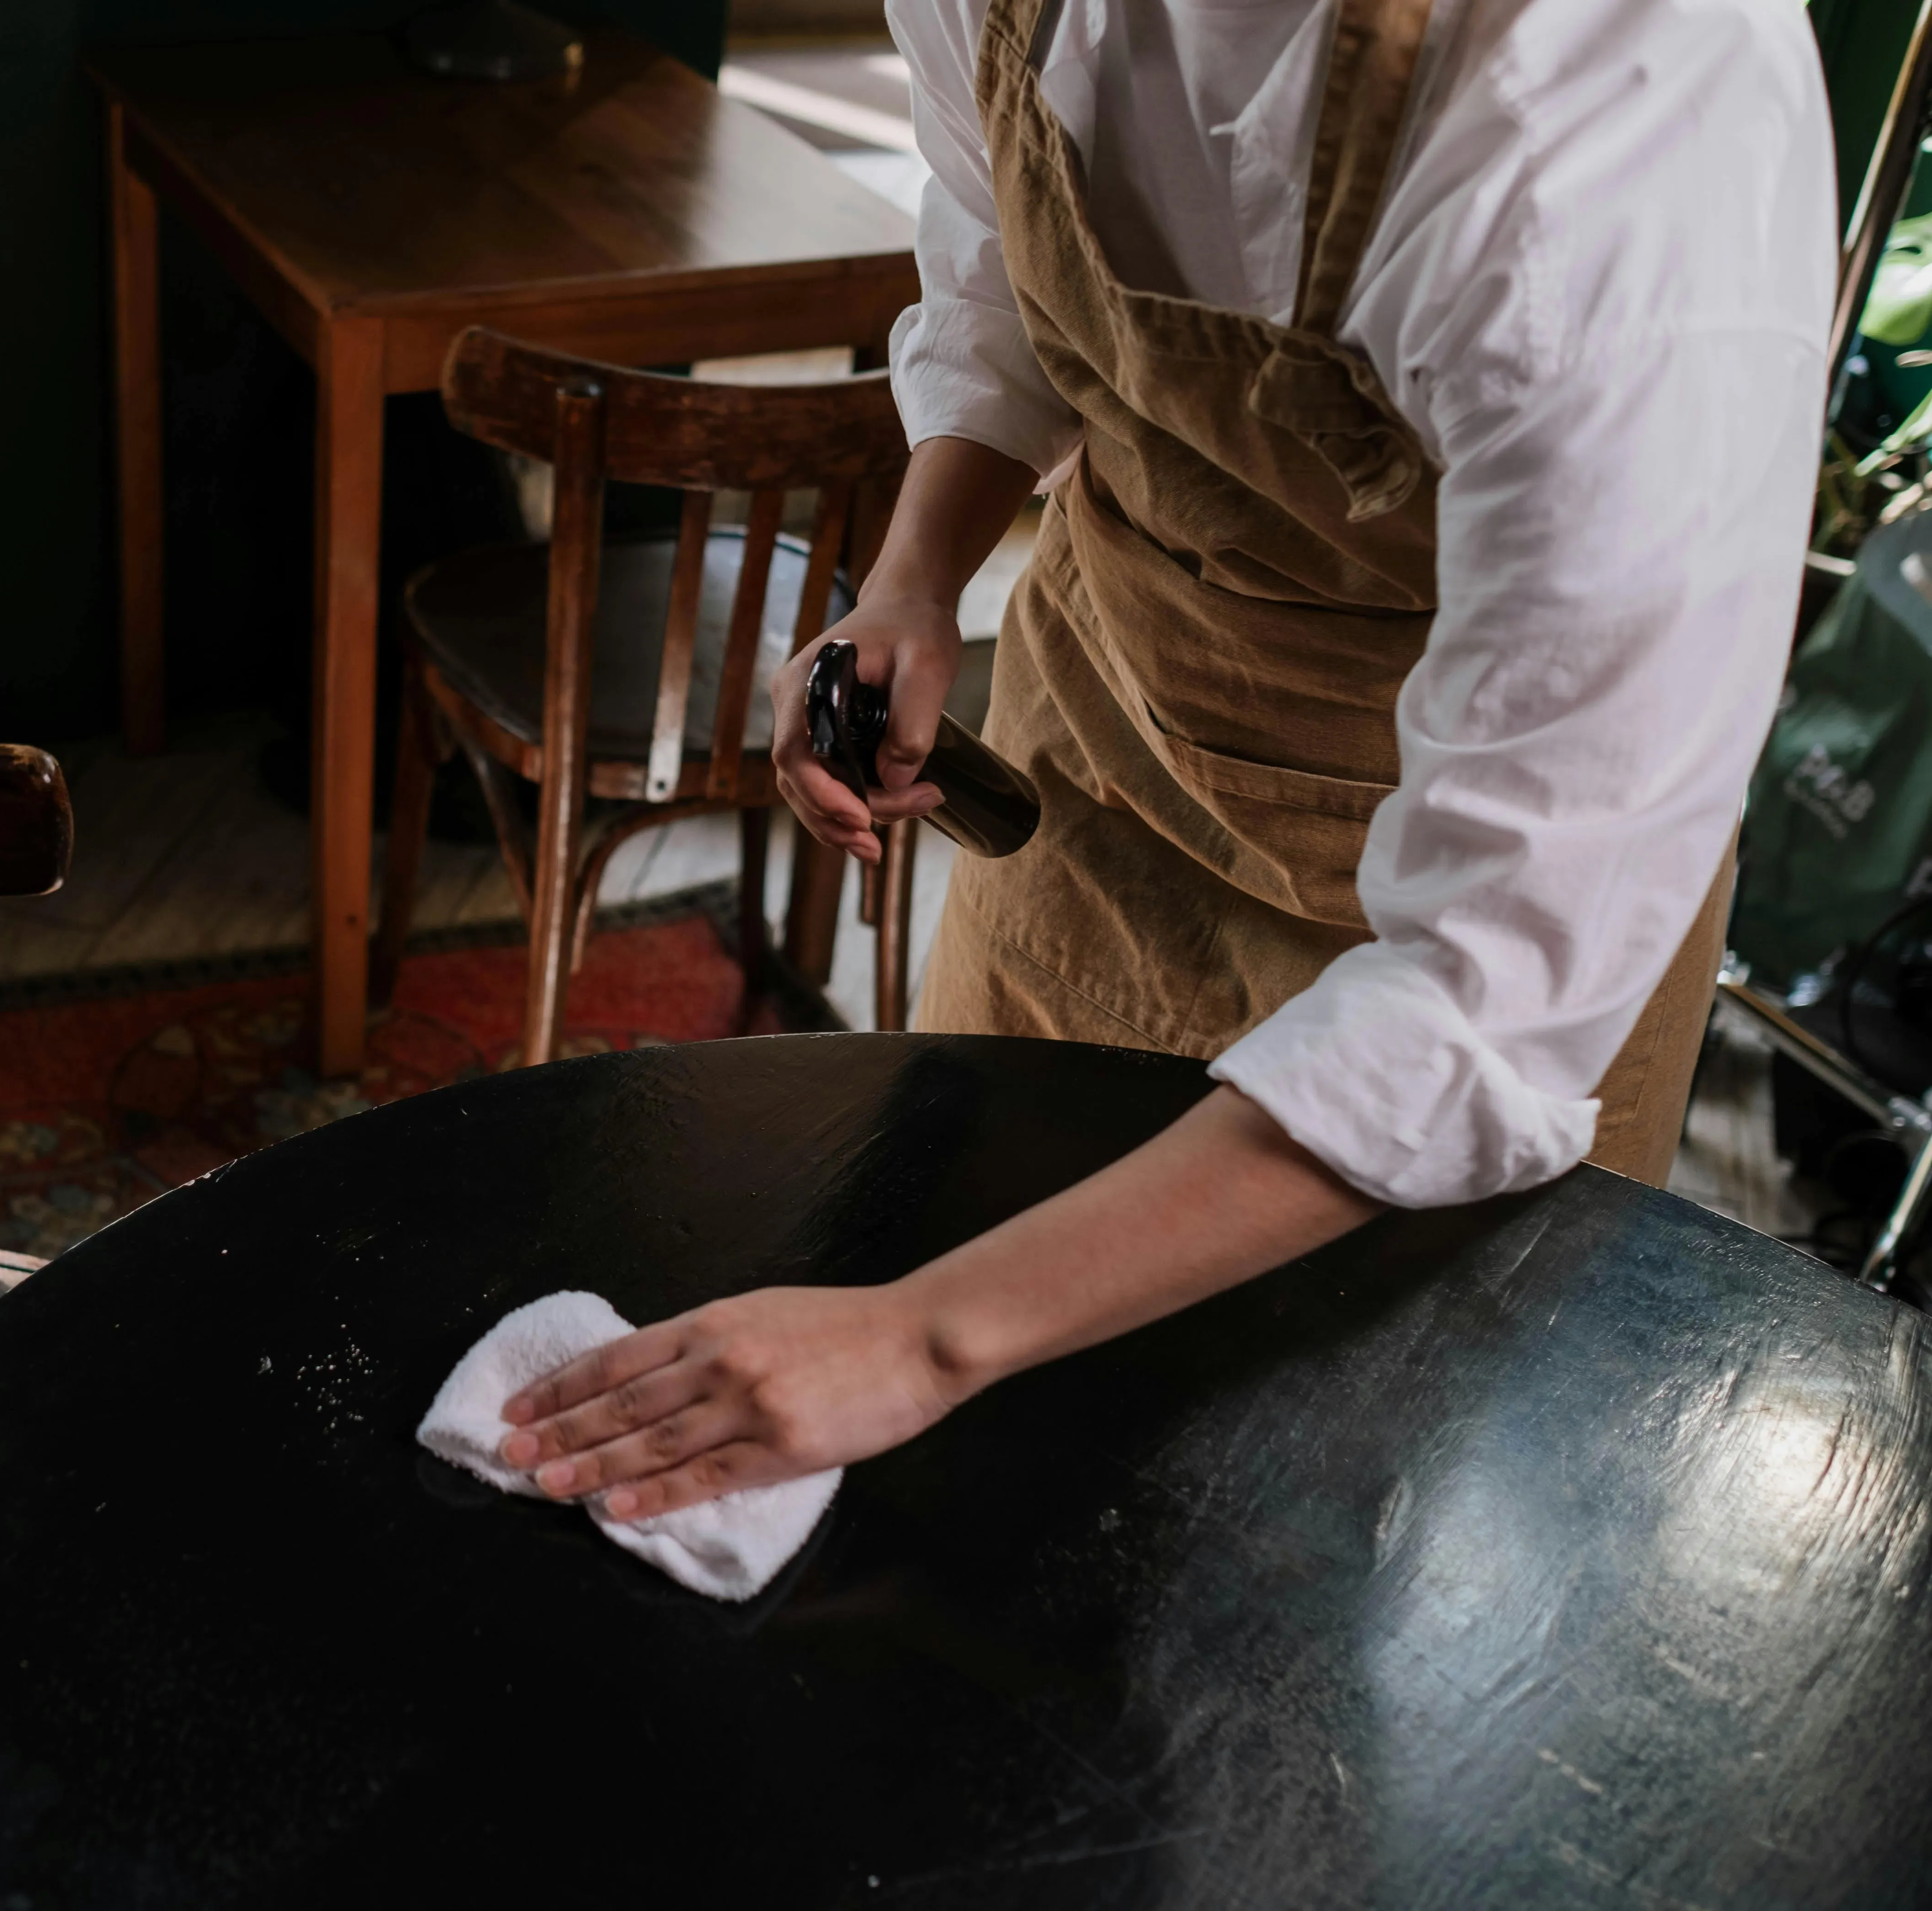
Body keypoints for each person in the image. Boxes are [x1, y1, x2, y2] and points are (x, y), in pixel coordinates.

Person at [493, 0, 1834, 1519]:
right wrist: (917, 576)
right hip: (1107, 738)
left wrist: (922, 1339)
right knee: (978, 1461)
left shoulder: (1624, 111)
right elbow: (1005, 244)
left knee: (1342, 1516)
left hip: (1443, 870)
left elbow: (1483, 1010)